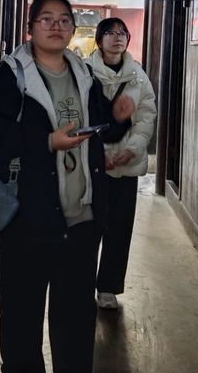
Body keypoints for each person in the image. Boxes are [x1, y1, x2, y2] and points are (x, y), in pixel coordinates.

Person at [0, 0, 136, 373]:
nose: (56, 26)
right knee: (21, 320)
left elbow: (102, 131)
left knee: (75, 321)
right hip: (27, 222)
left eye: (64, 20)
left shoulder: (84, 75)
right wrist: (47, 142)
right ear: (30, 27)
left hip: (80, 220)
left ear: (73, 28)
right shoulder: (7, 79)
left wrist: (118, 117)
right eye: (46, 19)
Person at [87, 17, 157, 310]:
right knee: (88, 227)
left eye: (122, 33)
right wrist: (97, 152)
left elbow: (146, 115)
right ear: (99, 39)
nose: (117, 37)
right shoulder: (84, 72)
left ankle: (108, 287)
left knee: (119, 227)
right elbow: (79, 116)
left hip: (126, 165)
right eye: (110, 32)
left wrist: (132, 150)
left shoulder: (138, 76)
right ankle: (81, 283)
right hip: (92, 164)